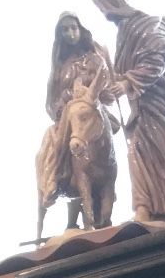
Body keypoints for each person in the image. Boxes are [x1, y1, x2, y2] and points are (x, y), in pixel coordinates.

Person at [90, 0, 165, 226]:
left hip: (159, 102)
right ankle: (143, 210)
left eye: (102, 5)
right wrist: (110, 76)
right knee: (136, 153)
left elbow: (156, 64)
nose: (103, 12)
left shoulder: (148, 24)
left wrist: (126, 83)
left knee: (163, 154)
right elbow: (124, 76)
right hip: (139, 107)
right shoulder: (124, 32)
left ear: (112, 0)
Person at [36, 13, 113, 231]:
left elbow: (107, 91)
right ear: (59, 36)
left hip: (93, 113)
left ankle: (107, 187)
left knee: (101, 140)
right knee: (57, 139)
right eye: (65, 30)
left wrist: (93, 95)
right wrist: (63, 103)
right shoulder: (61, 68)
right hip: (69, 117)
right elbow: (51, 102)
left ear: (81, 29)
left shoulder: (96, 59)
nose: (70, 33)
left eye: (74, 28)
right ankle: (55, 176)